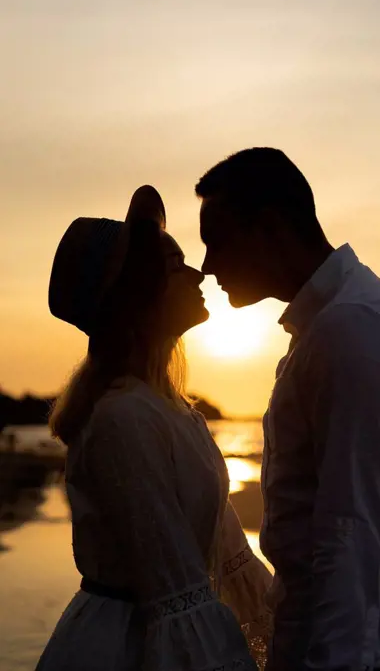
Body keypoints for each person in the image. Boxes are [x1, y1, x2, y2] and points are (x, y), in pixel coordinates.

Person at [196, 148, 380, 671]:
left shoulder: (352, 330)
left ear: (269, 227)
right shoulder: (331, 324)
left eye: (217, 241)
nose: (207, 265)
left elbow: (350, 529)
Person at [36, 185, 272, 671]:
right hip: (127, 648)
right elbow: (175, 589)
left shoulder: (172, 410)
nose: (197, 273)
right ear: (138, 290)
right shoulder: (124, 417)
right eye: (173, 264)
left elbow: (225, 552)